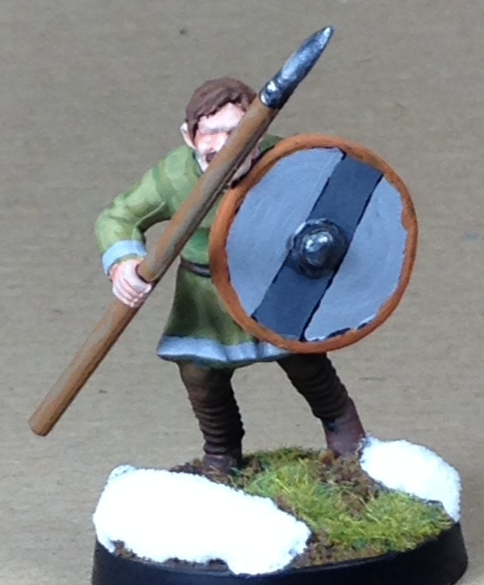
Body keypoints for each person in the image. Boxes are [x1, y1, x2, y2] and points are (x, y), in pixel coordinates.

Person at [95, 77, 366, 473]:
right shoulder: (174, 177)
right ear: (189, 136)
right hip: (206, 295)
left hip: (276, 287)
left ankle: (349, 441)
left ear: (260, 133)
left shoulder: (289, 161)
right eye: (212, 132)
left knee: (306, 362)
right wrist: (125, 263)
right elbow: (118, 218)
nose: (225, 144)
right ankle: (222, 456)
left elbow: (343, 201)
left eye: (238, 132)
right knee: (201, 376)